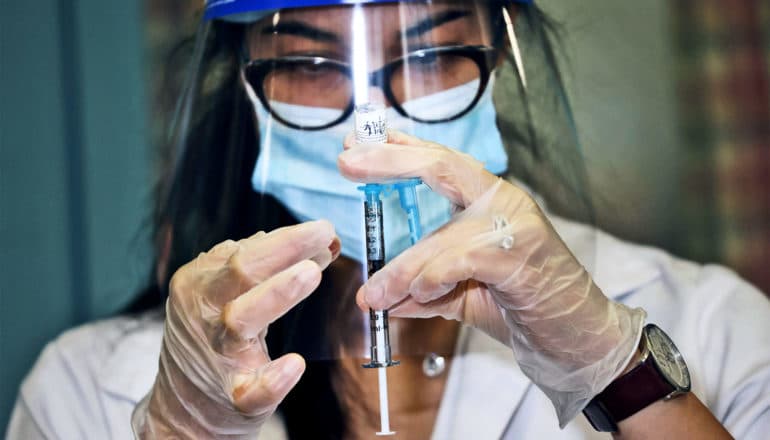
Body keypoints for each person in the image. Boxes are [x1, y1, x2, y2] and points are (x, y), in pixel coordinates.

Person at [7, 0, 770, 439]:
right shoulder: (81, 389)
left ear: (497, 59)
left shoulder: (713, 321)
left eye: (432, 52)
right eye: (308, 66)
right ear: (245, 85)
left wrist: (621, 373)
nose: (372, 120)